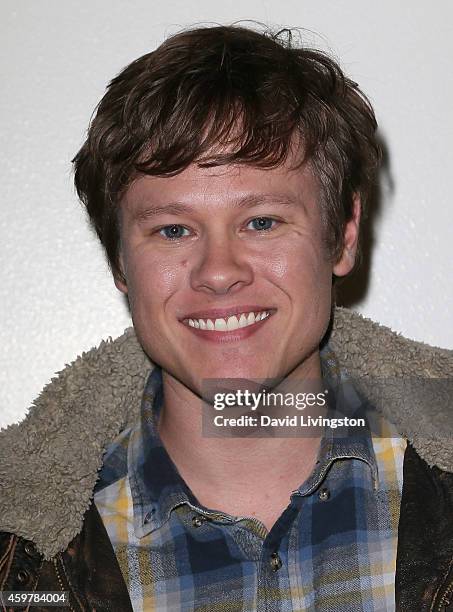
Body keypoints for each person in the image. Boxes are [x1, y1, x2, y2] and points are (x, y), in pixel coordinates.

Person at [1, 24, 452, 612]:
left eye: (261, 221)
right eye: (173, 229)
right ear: (120, 261)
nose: (218, 271)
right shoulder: (17, 543)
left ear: (342, 235)